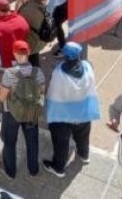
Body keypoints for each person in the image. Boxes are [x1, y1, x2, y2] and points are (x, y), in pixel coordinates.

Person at [43, 42, 101, 177]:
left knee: (61, 143)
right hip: (83, 113)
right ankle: (84, 155)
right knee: (83, 137)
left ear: (65, 56)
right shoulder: (87, 66)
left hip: (63, 117)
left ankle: (58, 168)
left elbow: (52, 92)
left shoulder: (58, 72)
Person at [0, 40, 45, 180]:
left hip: (12, 114)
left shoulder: (9, 74)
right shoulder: (38, 72)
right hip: (31, 113)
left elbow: (2, 97)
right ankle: (33, 170)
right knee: (32, 142)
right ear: (28, 53)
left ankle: (10, 171)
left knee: (10, 142)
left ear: (14, 53)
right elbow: (41, 92)